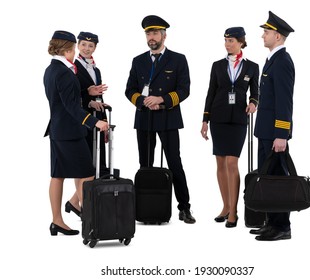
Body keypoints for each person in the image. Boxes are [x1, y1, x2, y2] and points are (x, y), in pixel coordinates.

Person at [125, 15, 196, 224]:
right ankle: (144, 208)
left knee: (175, 163)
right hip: (145, 117)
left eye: (155, 33)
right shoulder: (138, 60)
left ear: (164, 35)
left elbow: (184, 90)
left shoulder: (178, 59)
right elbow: (129, 90)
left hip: (168, 118)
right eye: (148, 33)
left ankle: (184, 207)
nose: (151, 37)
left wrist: (162, 100)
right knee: (144, 164)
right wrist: (144, 101)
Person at [44, 30, 109, 236]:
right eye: (74, 49)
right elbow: (72, 106)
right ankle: (92, 223)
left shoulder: (51, 69)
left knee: (58, 175)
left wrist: (88, 98)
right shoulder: (64, 72)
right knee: (86, 174)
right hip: (70, 131)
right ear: (68, 49)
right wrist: (94, 122)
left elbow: (67, 102)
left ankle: (57, 221)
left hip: (58, 129)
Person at [200, 27, 259, 228]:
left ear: (241, 42)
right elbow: (211, 92)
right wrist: (205, 120)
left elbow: (255, 91)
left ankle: (234, 211)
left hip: (239, 120)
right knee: (220, 163)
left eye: (231, 40)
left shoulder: (252, 66)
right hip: (218, 117)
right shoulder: (217, 65)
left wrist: (253, 103)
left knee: (232, 163)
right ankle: (225, 206)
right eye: (225, 40)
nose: (227, 44)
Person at [251, 11, 295, 241]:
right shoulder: (272, 60)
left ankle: (282, 227)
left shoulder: (283, 62)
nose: (262, 36)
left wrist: (282, 134)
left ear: (277, 36)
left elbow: (284, 101)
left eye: (266, 32)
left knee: (277, 180)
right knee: (266, 178)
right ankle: (271, 222)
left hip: (274, 135)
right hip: (265, 132)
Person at [64, 32, 110, 218]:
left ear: (95, 48)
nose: (86, 48)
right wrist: (88, 100)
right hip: (82, 120)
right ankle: (83, 205)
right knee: (86, 163)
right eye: (83, 45)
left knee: (98, 164)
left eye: (90, 46)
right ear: (78, 46)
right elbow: (72, 98)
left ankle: (75, 202)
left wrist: (103, 113)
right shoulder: (72, 67)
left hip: (97, 118)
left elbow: (97, 94)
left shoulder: (96, 69)